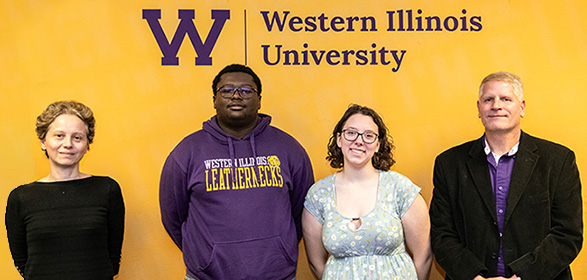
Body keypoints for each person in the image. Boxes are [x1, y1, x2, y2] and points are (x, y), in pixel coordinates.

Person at [159, 63, 315, 280]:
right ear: (214, 100)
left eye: (246, 91)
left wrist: (280, 251)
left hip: (277, 276)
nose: (236, 96)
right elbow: (173, 216)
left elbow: (303, 212)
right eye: (226, 90)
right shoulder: (187, 152)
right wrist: (205, 256)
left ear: (259, 100)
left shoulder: (289, 149)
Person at [429, 71, 583, 280]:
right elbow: (442, 234)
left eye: (506, 99)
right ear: (479, 109)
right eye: (488, 99)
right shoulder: (449, 164)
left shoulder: (558, 160)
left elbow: (567, 234)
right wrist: (475, 277)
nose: (496, 105)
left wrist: (522, 277)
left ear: (522, 108)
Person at [302, 104, 432, 280]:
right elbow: (316, 264)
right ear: (339, 139)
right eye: (351, 133)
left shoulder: (400, 188)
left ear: (378, 145)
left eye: (368, 136)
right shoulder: (318, 195)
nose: (359, 140)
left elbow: (423, 257)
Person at [5, 101, 125, 280]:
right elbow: (22, 260)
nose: (68, 144)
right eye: (59, 135)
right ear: (43, 141)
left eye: (77, 137)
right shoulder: (21, 198)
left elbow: (113, 256)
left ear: (87, 145)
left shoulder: (107, 190)